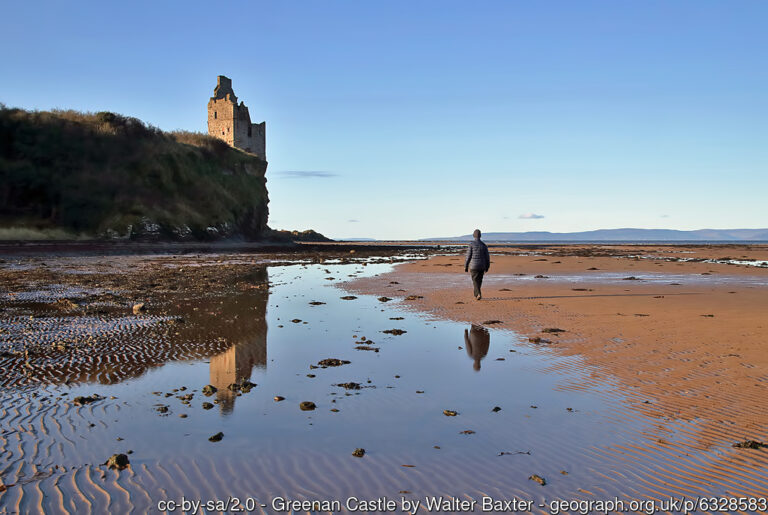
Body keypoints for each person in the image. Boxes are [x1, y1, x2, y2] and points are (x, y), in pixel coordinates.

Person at [464, 229, 490, 300]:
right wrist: (487, 266)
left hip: (474, 266)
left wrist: (466, 266)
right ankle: (477, 294)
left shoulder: (471, 245)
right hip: (482, 266)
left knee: (475, 280)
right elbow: (487, 258)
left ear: (474, 235)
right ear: (480, 236)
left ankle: (478, 294)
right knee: (479, 281)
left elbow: (468, 256)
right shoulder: (484, 245)